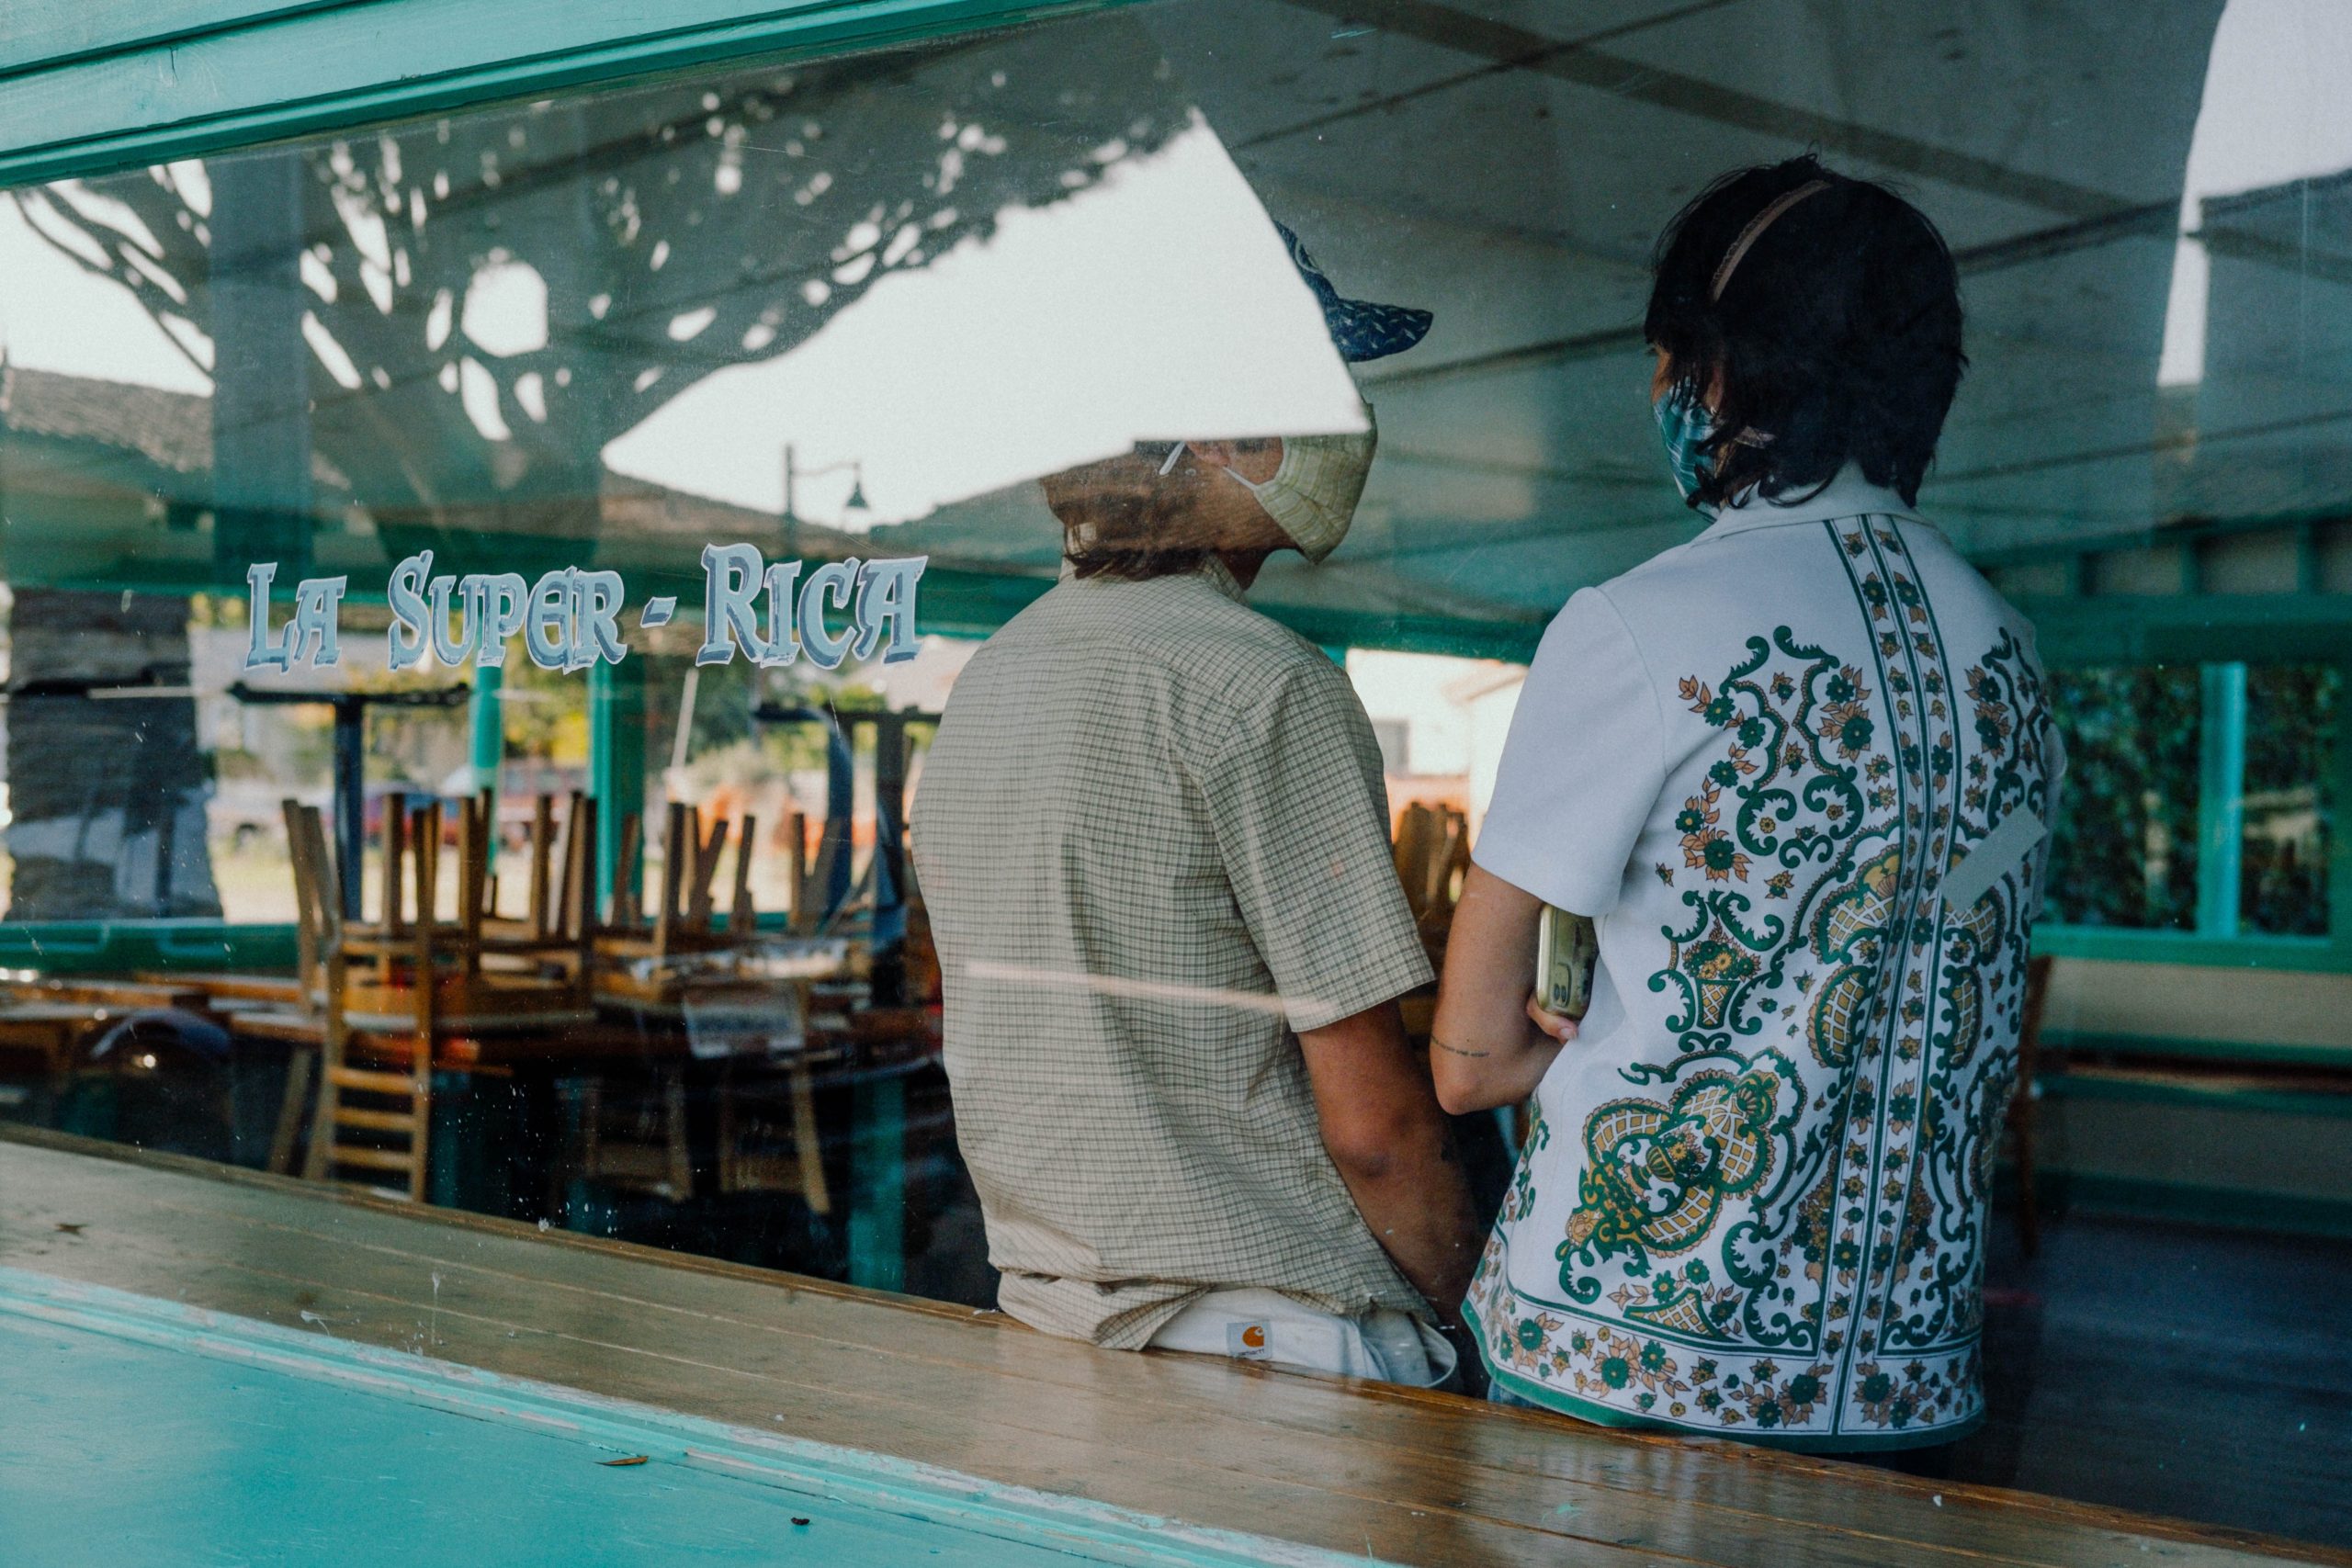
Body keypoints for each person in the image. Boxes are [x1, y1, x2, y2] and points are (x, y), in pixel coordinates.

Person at [1432, 156, 2061, 1458]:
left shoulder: (1636, 628)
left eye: (1671, 354)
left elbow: (1470, 1055)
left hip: (1621, 1366)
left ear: (1723, 367)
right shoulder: (2012, 659)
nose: (1660, 390)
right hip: (1908, 1386)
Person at [911, 226, 1482, 1386]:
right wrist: (1481, 1310)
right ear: (1215, 426)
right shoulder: (1267, 686)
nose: (1347, 424)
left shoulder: (988, 682)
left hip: (1053, 1324)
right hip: (1273, 1351)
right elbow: (1375, 1132)